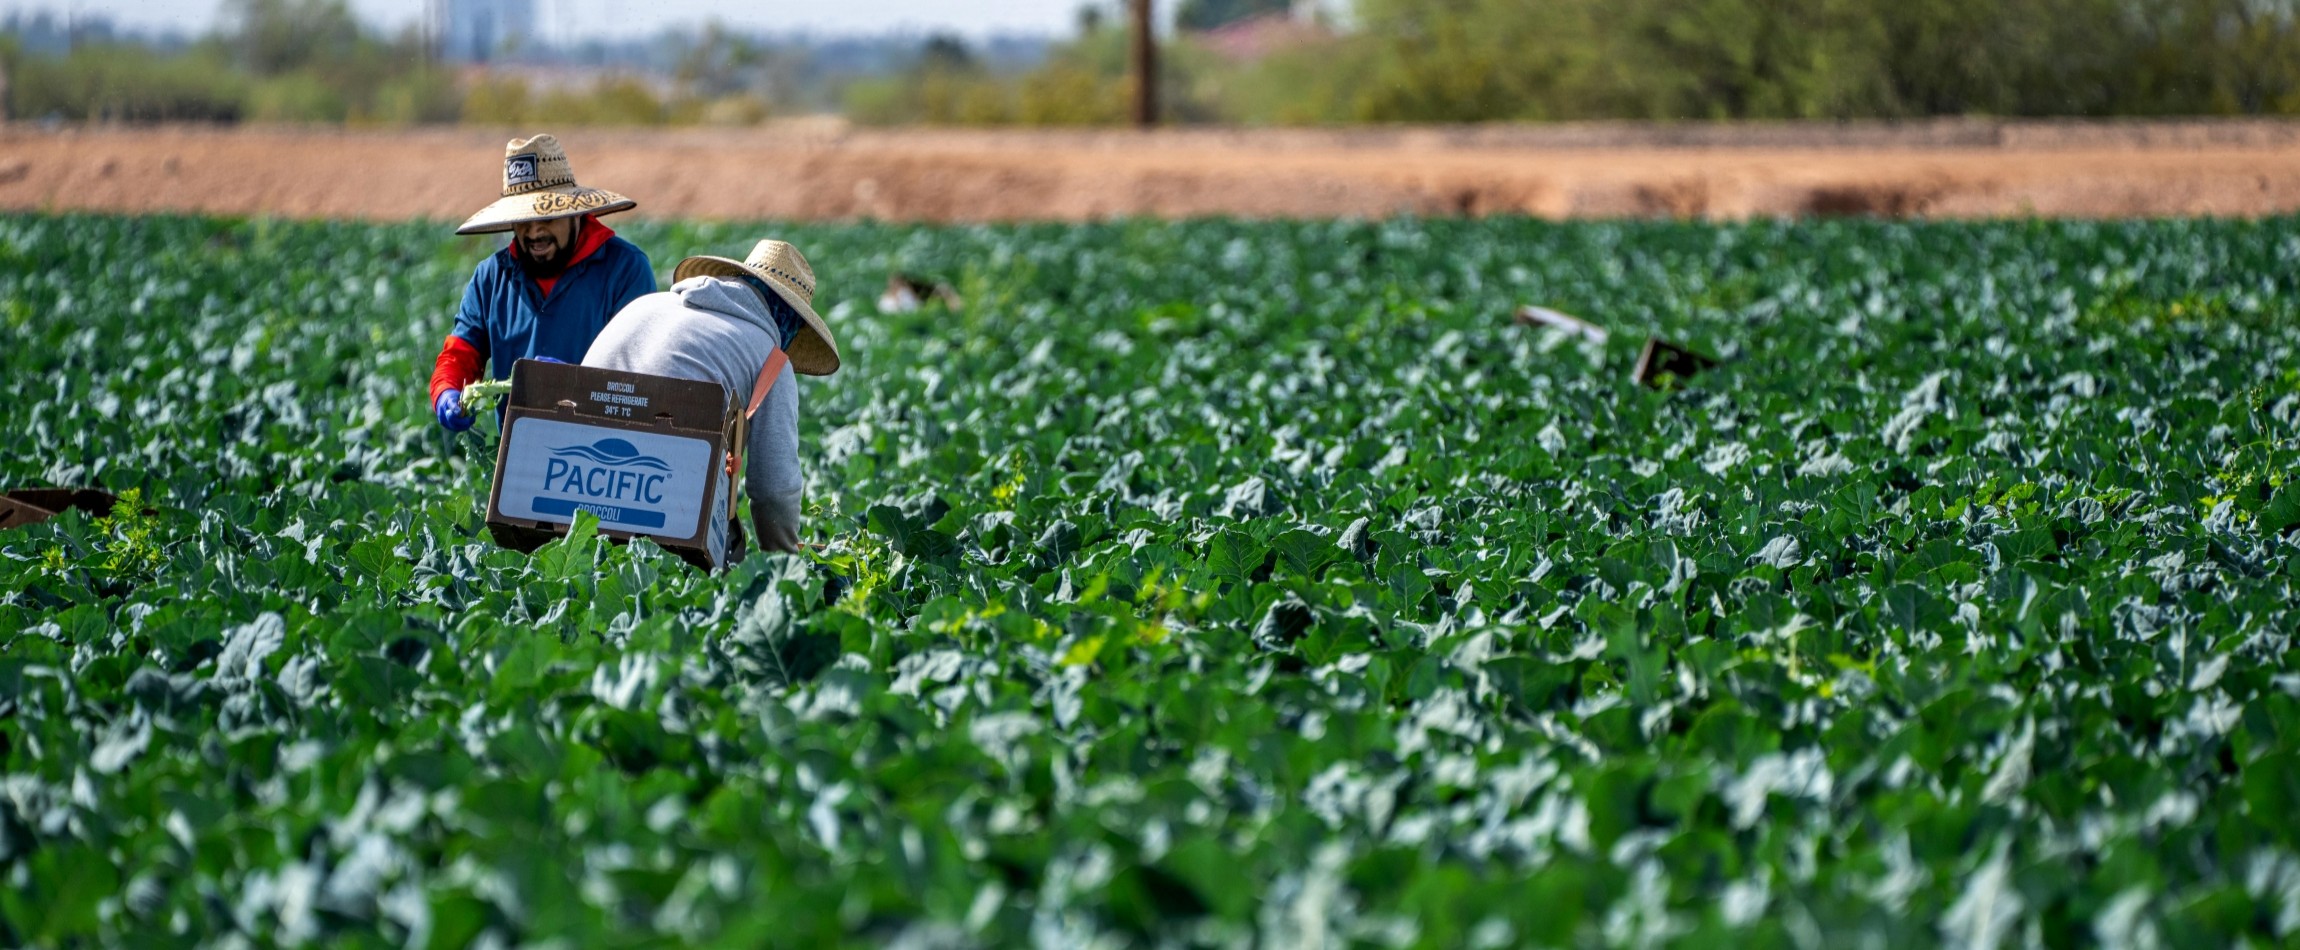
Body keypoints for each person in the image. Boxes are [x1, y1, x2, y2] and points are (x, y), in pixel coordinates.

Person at [582, 240, 842, 553]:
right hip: (662, 505)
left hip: (577, 482)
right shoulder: (771, 359)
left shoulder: (643, 305)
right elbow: (774, 489)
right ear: (787, 317)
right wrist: (783, 558)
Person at [430, 134, 655, 432]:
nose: (534, 232)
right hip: (516, 456)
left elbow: (644, 379)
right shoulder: (491, 278)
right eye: (523, 220)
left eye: (546, 217)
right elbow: (460, 355)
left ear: (575, 212)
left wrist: (577, 386)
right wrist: (447, 391)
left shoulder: (625, 269)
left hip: (602, 454)